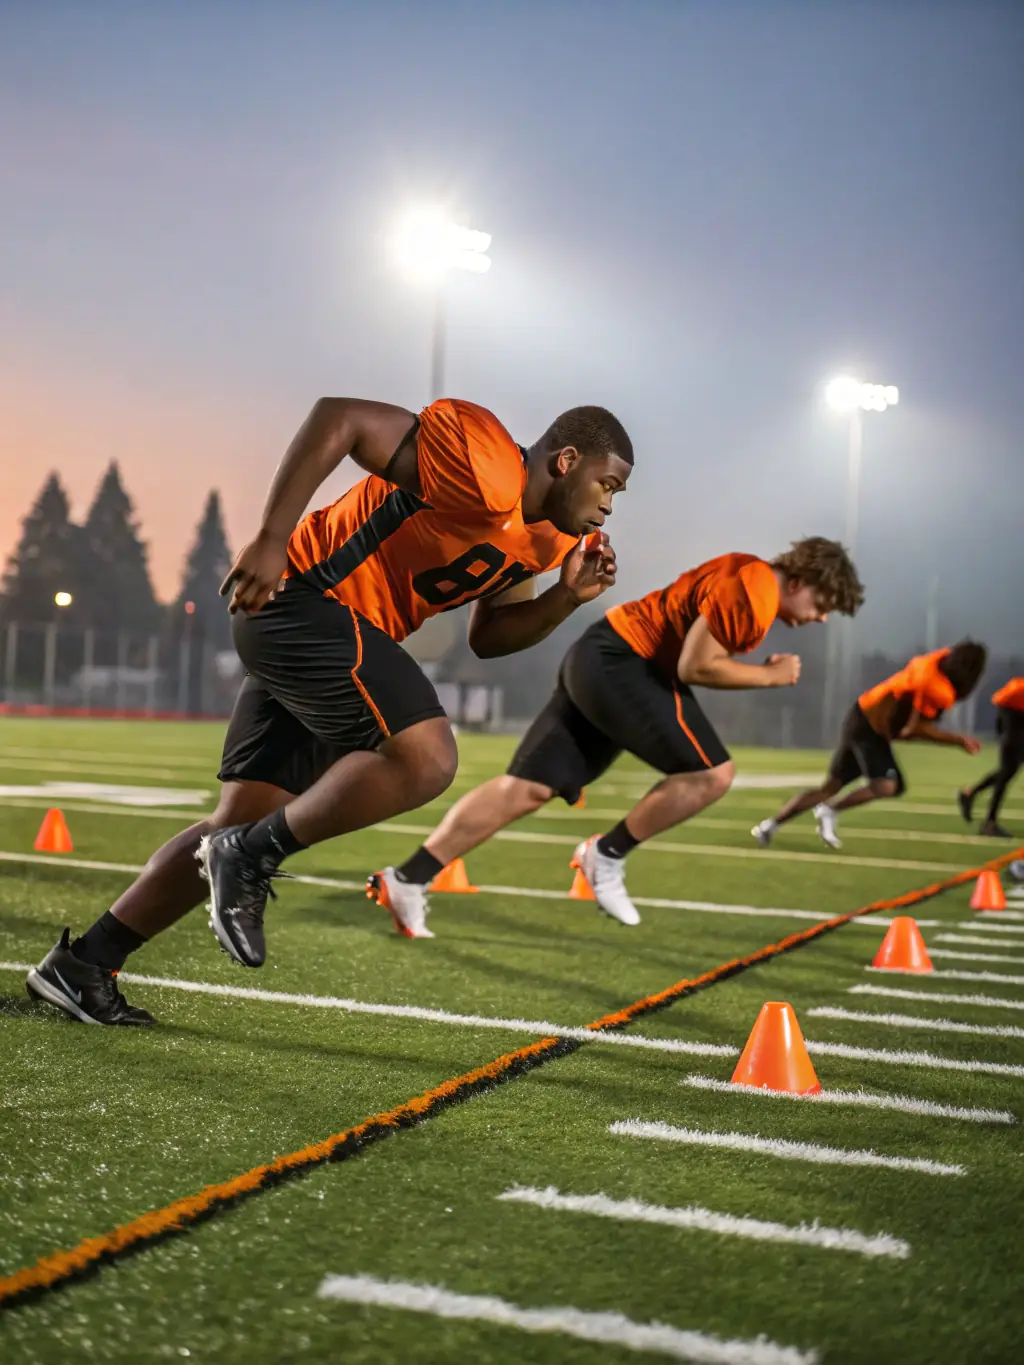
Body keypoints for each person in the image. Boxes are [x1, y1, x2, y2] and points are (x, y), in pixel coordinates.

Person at [27, 395, 633, 1024]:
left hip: (338, 640)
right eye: (608, 483)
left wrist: (566, 598)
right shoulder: (485, 462)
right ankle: (250, 854)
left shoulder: (547, 537)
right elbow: (338, 417)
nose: (610, 504)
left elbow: (490, 637)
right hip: (302, 601)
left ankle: (84, 965)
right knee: (427, 759)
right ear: (566, 459)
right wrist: (270, 537)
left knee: (237, 818)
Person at [369, 538, 863, 932]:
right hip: (623, 662)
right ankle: (605, 854)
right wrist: (769, 676)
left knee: (526, 787)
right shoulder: (756, 588)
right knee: (712, 774)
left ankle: (406, 878)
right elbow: (697, 666)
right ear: (799, 580)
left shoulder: (750, 576)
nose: (820, 618)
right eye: (823, 604)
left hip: (604, 655)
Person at [753, 640, 987, 850]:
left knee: (829, 788)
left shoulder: (933, 663)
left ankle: (769, 826)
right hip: (869, 727)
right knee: (888, 785)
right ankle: (829, 810)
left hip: (861, 715)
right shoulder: (937, 688)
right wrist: (958, 740)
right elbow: (912, 730)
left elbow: (909, 724)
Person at [958, 676, 1024, 837]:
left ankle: (971, 794)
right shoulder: (1017, 690)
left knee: (1007, 771)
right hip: (1016, 724)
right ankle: (989, 822)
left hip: (1013, 723)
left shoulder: (1016, 688)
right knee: (1006, 772)